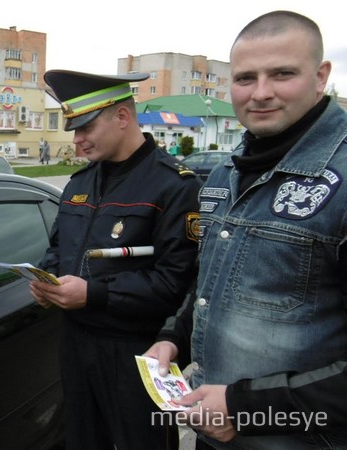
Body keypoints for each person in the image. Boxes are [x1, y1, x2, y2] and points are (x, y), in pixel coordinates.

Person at [146, 10, 347, 449]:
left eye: (282, 74)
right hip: (214, 433)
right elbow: (213, 280)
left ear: (320, 75)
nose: (260, 93)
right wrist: (171, 339)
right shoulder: (225, 172)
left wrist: (244, 407)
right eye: (244, 78)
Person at [30, 69, 202, 449]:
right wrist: (47, 279)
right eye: (74, 130)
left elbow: (176, 283)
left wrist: (95, 294)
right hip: (75, 344)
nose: (77, 141)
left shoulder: (174, 186)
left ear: (122, 117)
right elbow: (58, 247)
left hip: (136, 352)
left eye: (85, 128)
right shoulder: (78, 183)